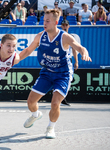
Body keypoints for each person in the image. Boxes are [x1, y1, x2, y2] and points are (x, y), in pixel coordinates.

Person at [19, 9, 92, 139]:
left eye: (47, 21)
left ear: (55, 22)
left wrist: (84, 52)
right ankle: (36, 115)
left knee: (55, 103)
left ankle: (50, 128)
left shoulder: (64, 37)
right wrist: (15, 60)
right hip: (47, 72)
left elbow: (79, 47)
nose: (44, 23)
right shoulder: (40, 36)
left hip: (63, 74)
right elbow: (28, 50)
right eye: (43, 21)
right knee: (30, 102)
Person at [60, 19, 81, 106]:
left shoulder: (71, 37)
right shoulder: (58, 35)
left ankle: (63, 98)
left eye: (66, 25)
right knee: (57, 79)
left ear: (68, 26)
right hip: (59, 61)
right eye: (63, 25)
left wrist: (76, 62)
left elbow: (74, 50)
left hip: (68, 61)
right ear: (61, 26)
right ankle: (58, 98)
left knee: (68, 79)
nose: (65, 27)